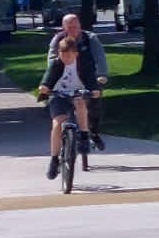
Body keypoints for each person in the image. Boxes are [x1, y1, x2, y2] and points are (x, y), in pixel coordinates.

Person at [37, 36, 100, 180]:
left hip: (78, 94)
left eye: (69, 56)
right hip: (58, 95)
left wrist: (94, 89)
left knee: (80, 104)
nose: (66, 58)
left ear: (76, 54)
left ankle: (84, 136)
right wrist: (45, 87)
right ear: (59, 53)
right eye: (63, 55)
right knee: (58, 123)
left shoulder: (83, 64)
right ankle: (54, 160)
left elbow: (91, 79)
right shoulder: (56, 64)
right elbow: (48, 78)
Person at [47, 13, 108, 149]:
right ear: (64, 27)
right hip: (65, 77)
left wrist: (101, 75)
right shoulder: (58, 39)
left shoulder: (90, 38)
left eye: (76, 26)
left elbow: (100, 58)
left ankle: (94, 132)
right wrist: (52, 77)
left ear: (80, 25)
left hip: (88, 76)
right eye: (69, 27)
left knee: (94, 103)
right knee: (60, 104)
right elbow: (51, 59)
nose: (73, 30)